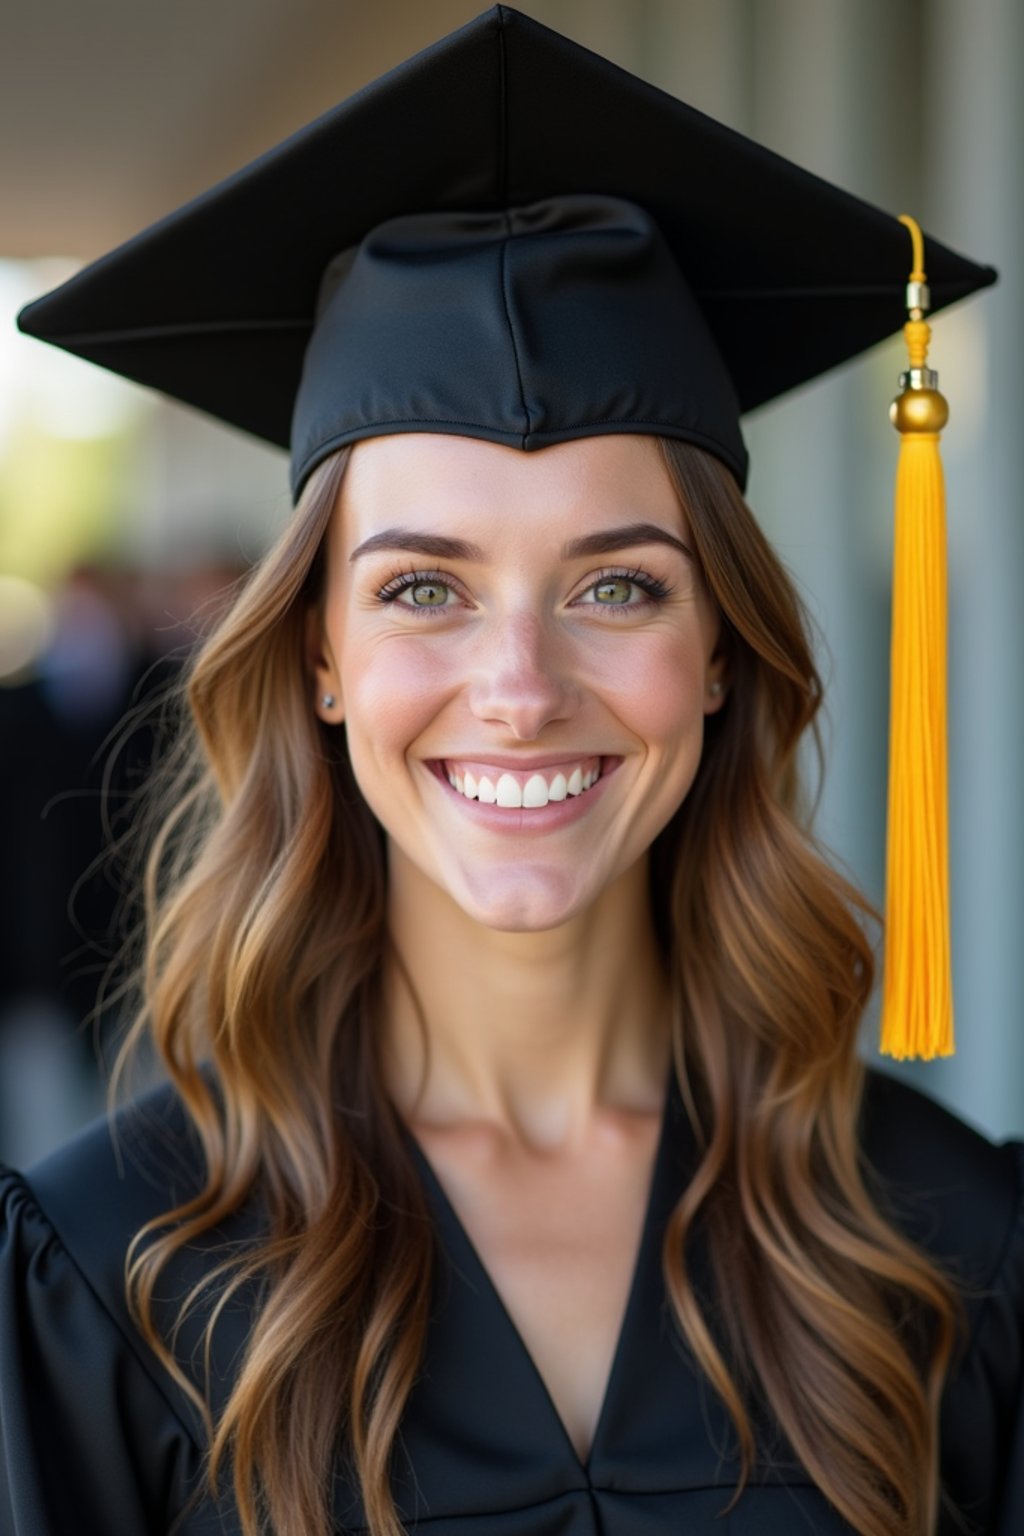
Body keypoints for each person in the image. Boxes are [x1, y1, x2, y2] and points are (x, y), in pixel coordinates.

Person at [1, 8, 1020, 1536]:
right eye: (424, 588)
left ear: (724, 650)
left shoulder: (946, 1245)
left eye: (619, 586)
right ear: (321, 660)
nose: (524, 691)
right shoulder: (109, 1269)